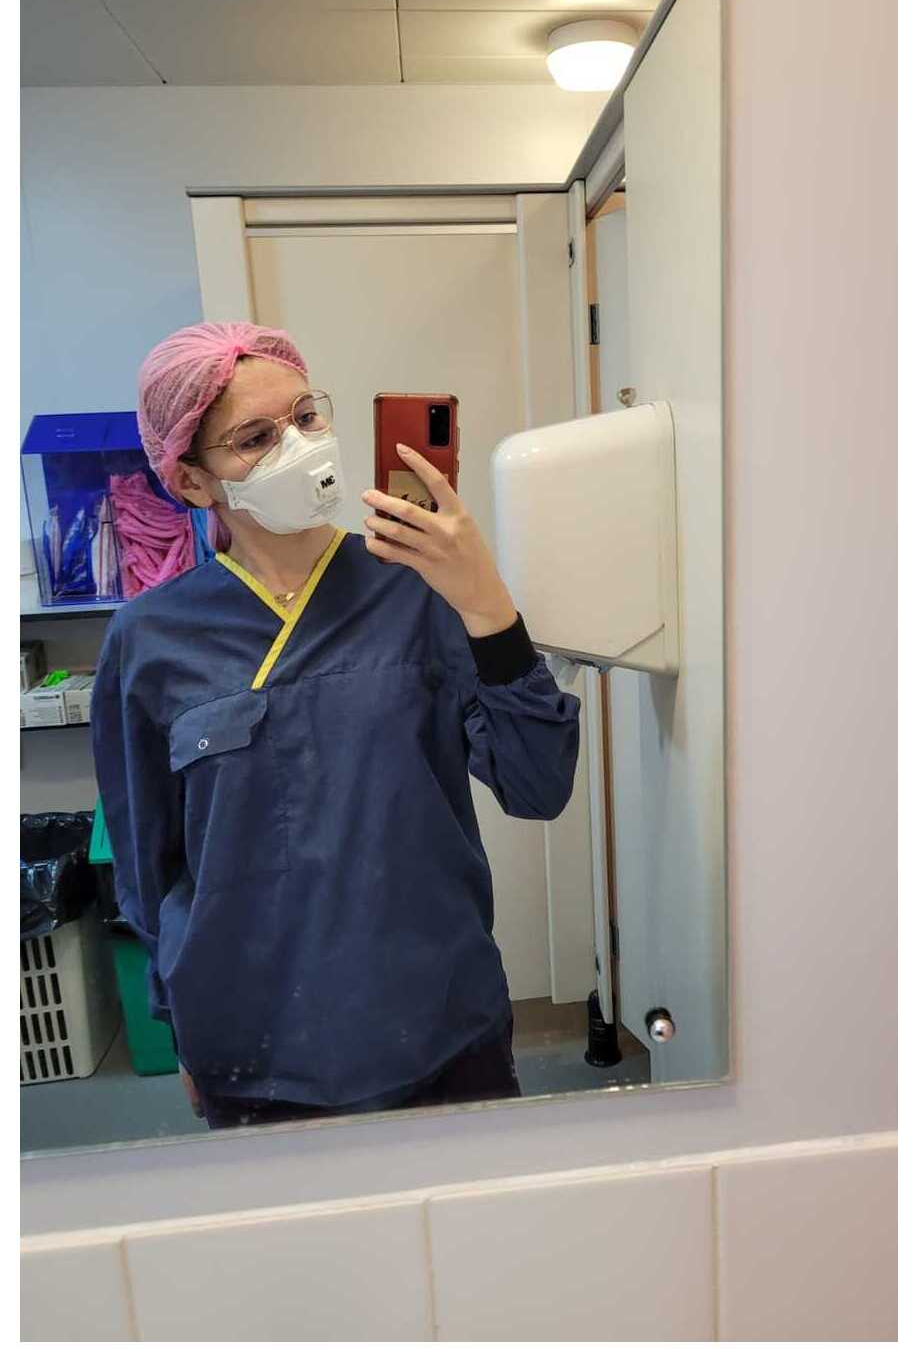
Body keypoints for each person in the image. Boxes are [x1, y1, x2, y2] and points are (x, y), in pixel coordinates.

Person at [91, 321, 581, 1129]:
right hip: (255, 1051)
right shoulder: (149, 639)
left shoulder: (418, 587)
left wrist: (487, 600)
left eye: (306, 417)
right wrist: (180, 1029)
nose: (300, 447)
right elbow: (148, 868)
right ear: (190, 480)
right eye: (255, 437)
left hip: (440, 1028)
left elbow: (539, 785)